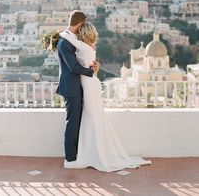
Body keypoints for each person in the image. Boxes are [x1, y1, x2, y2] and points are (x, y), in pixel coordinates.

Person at [59, 22, 152, 172]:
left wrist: (61, 33)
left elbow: (68, 39)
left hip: (89, 85)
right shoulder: (89, 47)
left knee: (92, 118)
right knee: (93, 118)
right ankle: (93, 152)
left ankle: (92, 153)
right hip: (91, 83)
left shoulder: (82, 46)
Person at [56, 11, 100, 166]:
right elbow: (73, 66)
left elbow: (83, 57)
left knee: (77, 123)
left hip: (78, 86)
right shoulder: (64, 42)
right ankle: (70, 159)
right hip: (71, 88)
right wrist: (91, 72)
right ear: (80, 23)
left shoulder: (70, 39)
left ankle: (77, 154)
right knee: (72, 123)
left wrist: (95, 65)